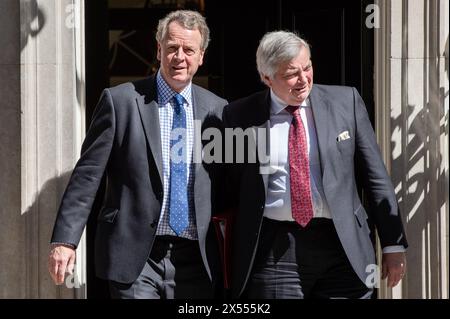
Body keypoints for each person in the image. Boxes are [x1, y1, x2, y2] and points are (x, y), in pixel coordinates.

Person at [48, 10, 227, 299]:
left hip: (196, 259)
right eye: (171, 48)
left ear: (201, 56)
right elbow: (87, 176)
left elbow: (229, 182)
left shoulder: (218, 109)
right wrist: (65, 241)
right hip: (136, 256)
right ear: (159, 50)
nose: (179, 57)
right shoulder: (121, 102)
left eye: (188, 50)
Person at [222, 31, 408, 299]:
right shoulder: (239, 115)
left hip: (342, 245)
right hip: (276, 250)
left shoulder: (346, 102)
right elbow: (231, 185)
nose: (303, 80)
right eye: (290, 74)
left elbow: (375, 176)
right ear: (267, 78)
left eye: (307, 67)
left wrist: (392, 243)